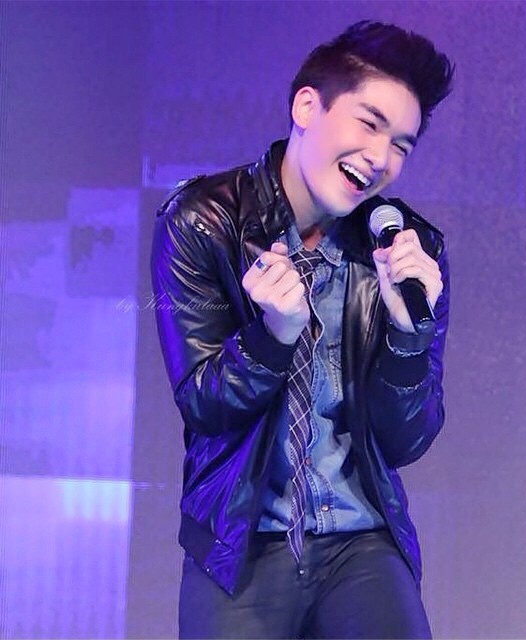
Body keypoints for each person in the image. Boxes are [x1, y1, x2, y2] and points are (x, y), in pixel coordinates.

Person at [151, 19, 453, 639]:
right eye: (369, 124)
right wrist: (271, 336)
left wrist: (407, 339)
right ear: (307, 107)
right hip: (240, 540)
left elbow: (406, 442)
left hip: (360, 537)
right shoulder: (204, 221)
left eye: (401, 144)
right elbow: (204, 404)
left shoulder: (407, 252)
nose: (380, 159)